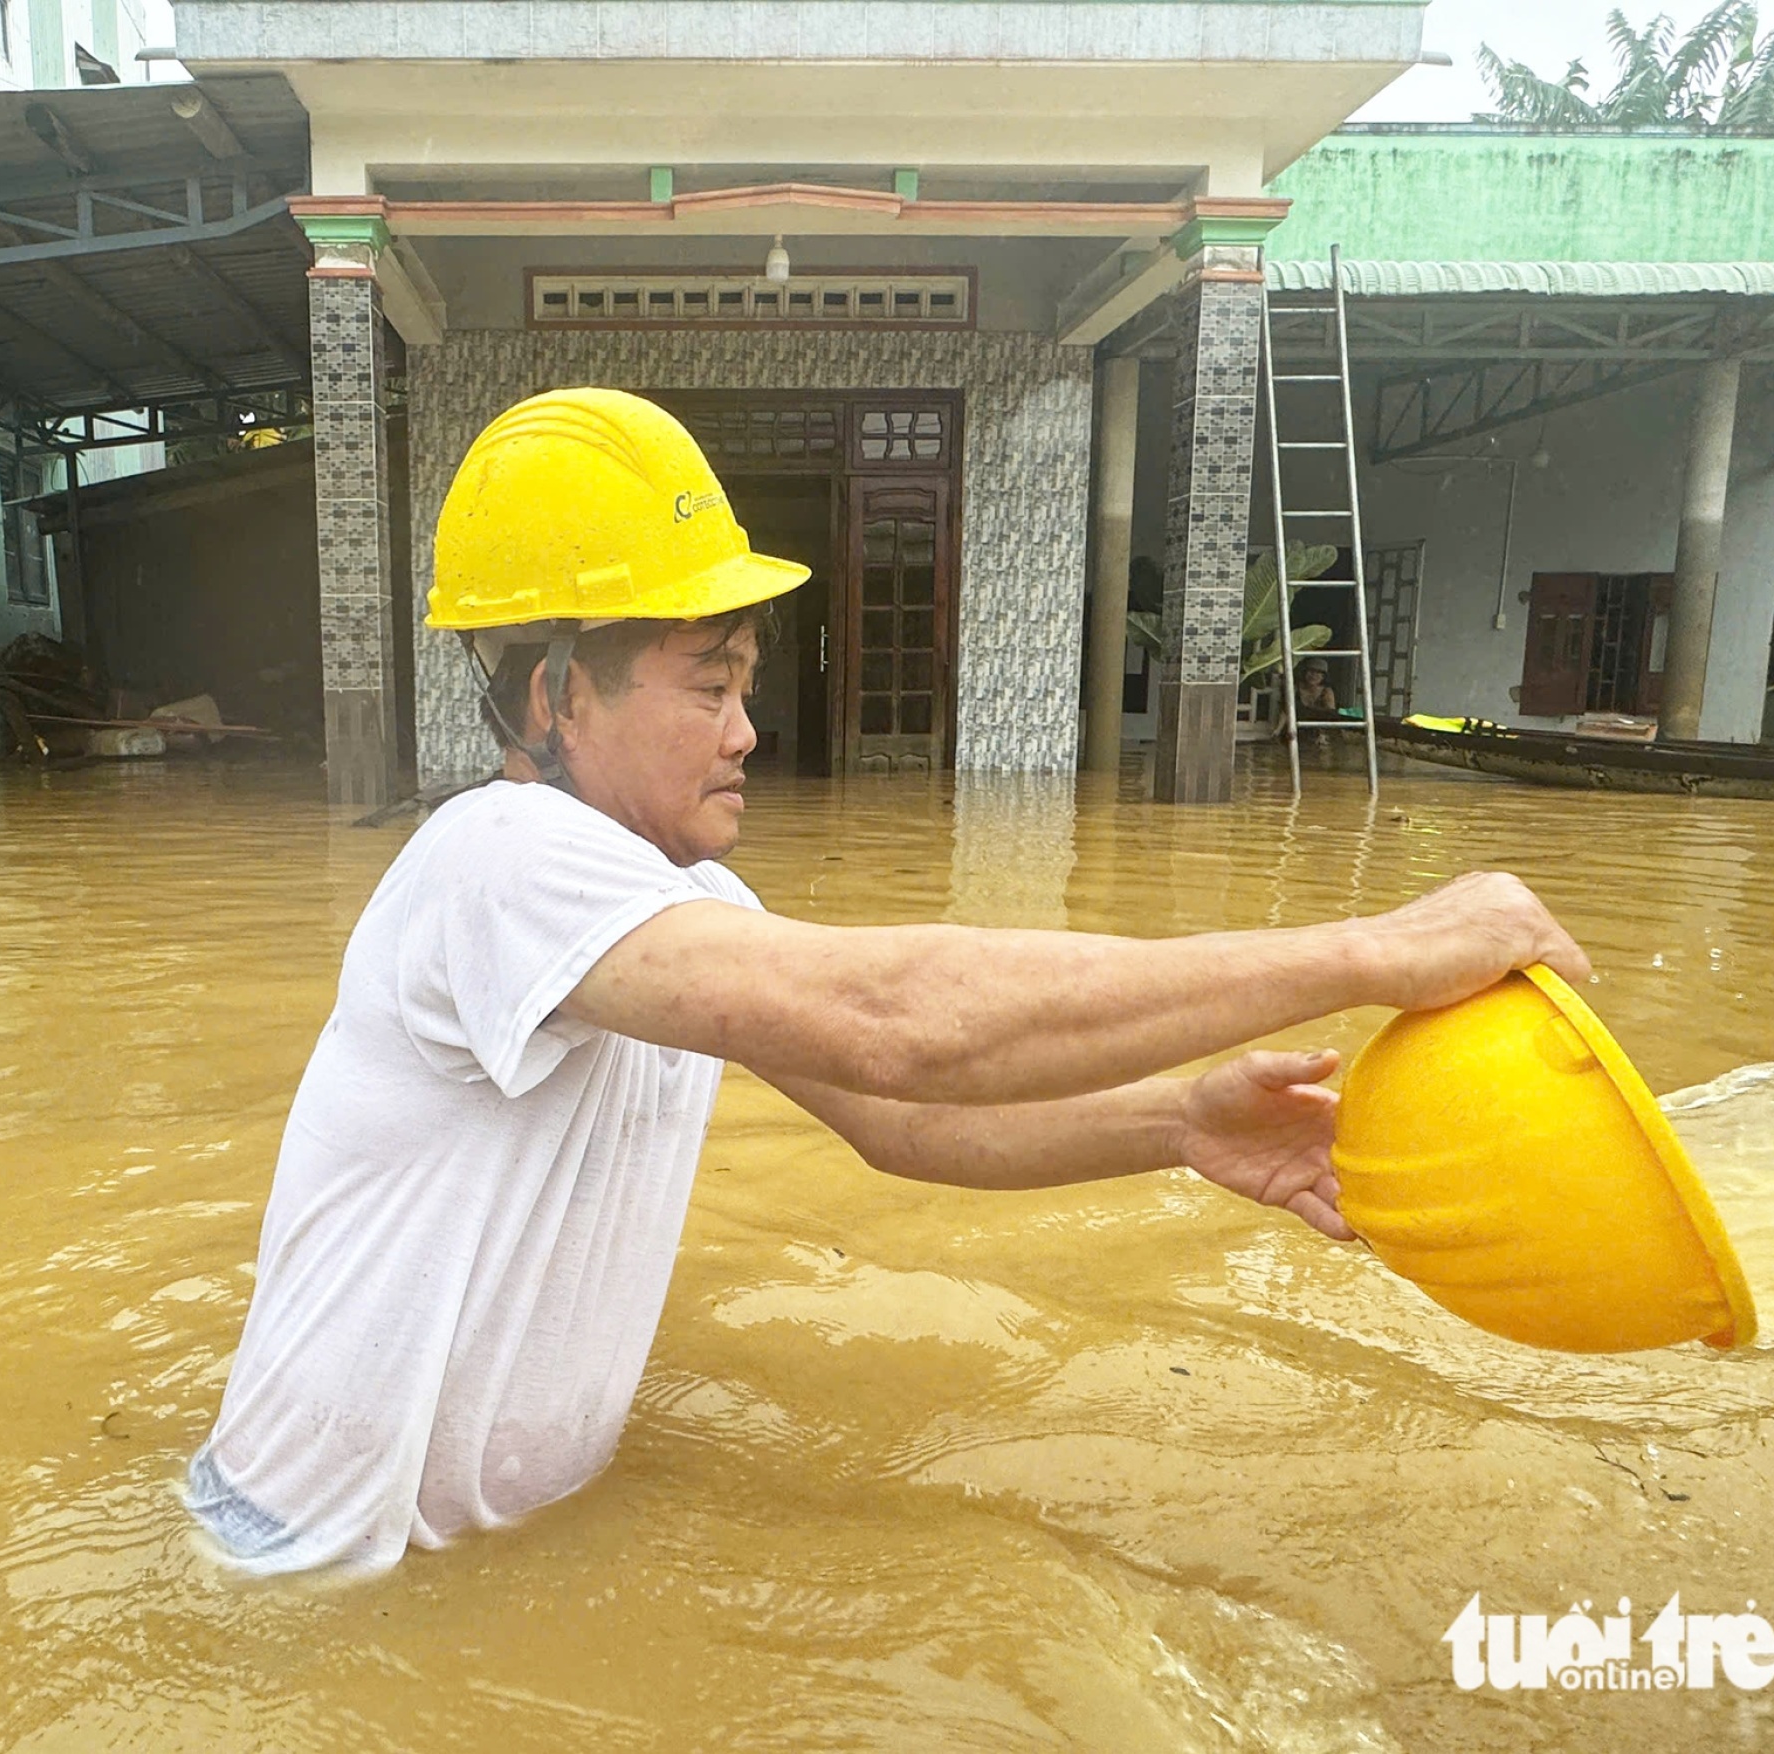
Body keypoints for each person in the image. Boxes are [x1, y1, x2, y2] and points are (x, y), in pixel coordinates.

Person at [185, 389, 1588, 1574]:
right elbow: (902, 1021)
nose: (748, 729)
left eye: (747, 681)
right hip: (305, 1564)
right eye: (704, 682)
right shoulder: (496, 856)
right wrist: (1366, 954)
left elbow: (900, 1115)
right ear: (556, 695)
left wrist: (1175, 1122)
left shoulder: (680, 910)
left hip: (455, 1570)